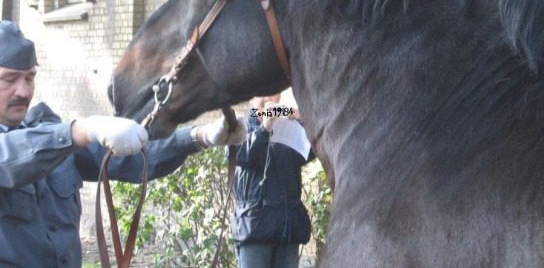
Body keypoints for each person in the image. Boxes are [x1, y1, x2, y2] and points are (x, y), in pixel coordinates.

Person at [0, 20, 247, 268]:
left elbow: (128, 158)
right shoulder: (57, 138)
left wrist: (200, 136)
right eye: (9, 79)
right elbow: (10, 157)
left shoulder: (48, 134)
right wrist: (83, 129)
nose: (23, 91)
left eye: (30, 77)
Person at [231, 94, 314, 268]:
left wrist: (306, 121)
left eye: (274, 93)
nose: (269, 97)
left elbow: (309, 152)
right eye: (263, 93)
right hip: (254, 231)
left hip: (287, 230)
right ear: (251, 100)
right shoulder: (239, 127)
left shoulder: (290, 126)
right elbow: (241, 156)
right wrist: (265, 129)